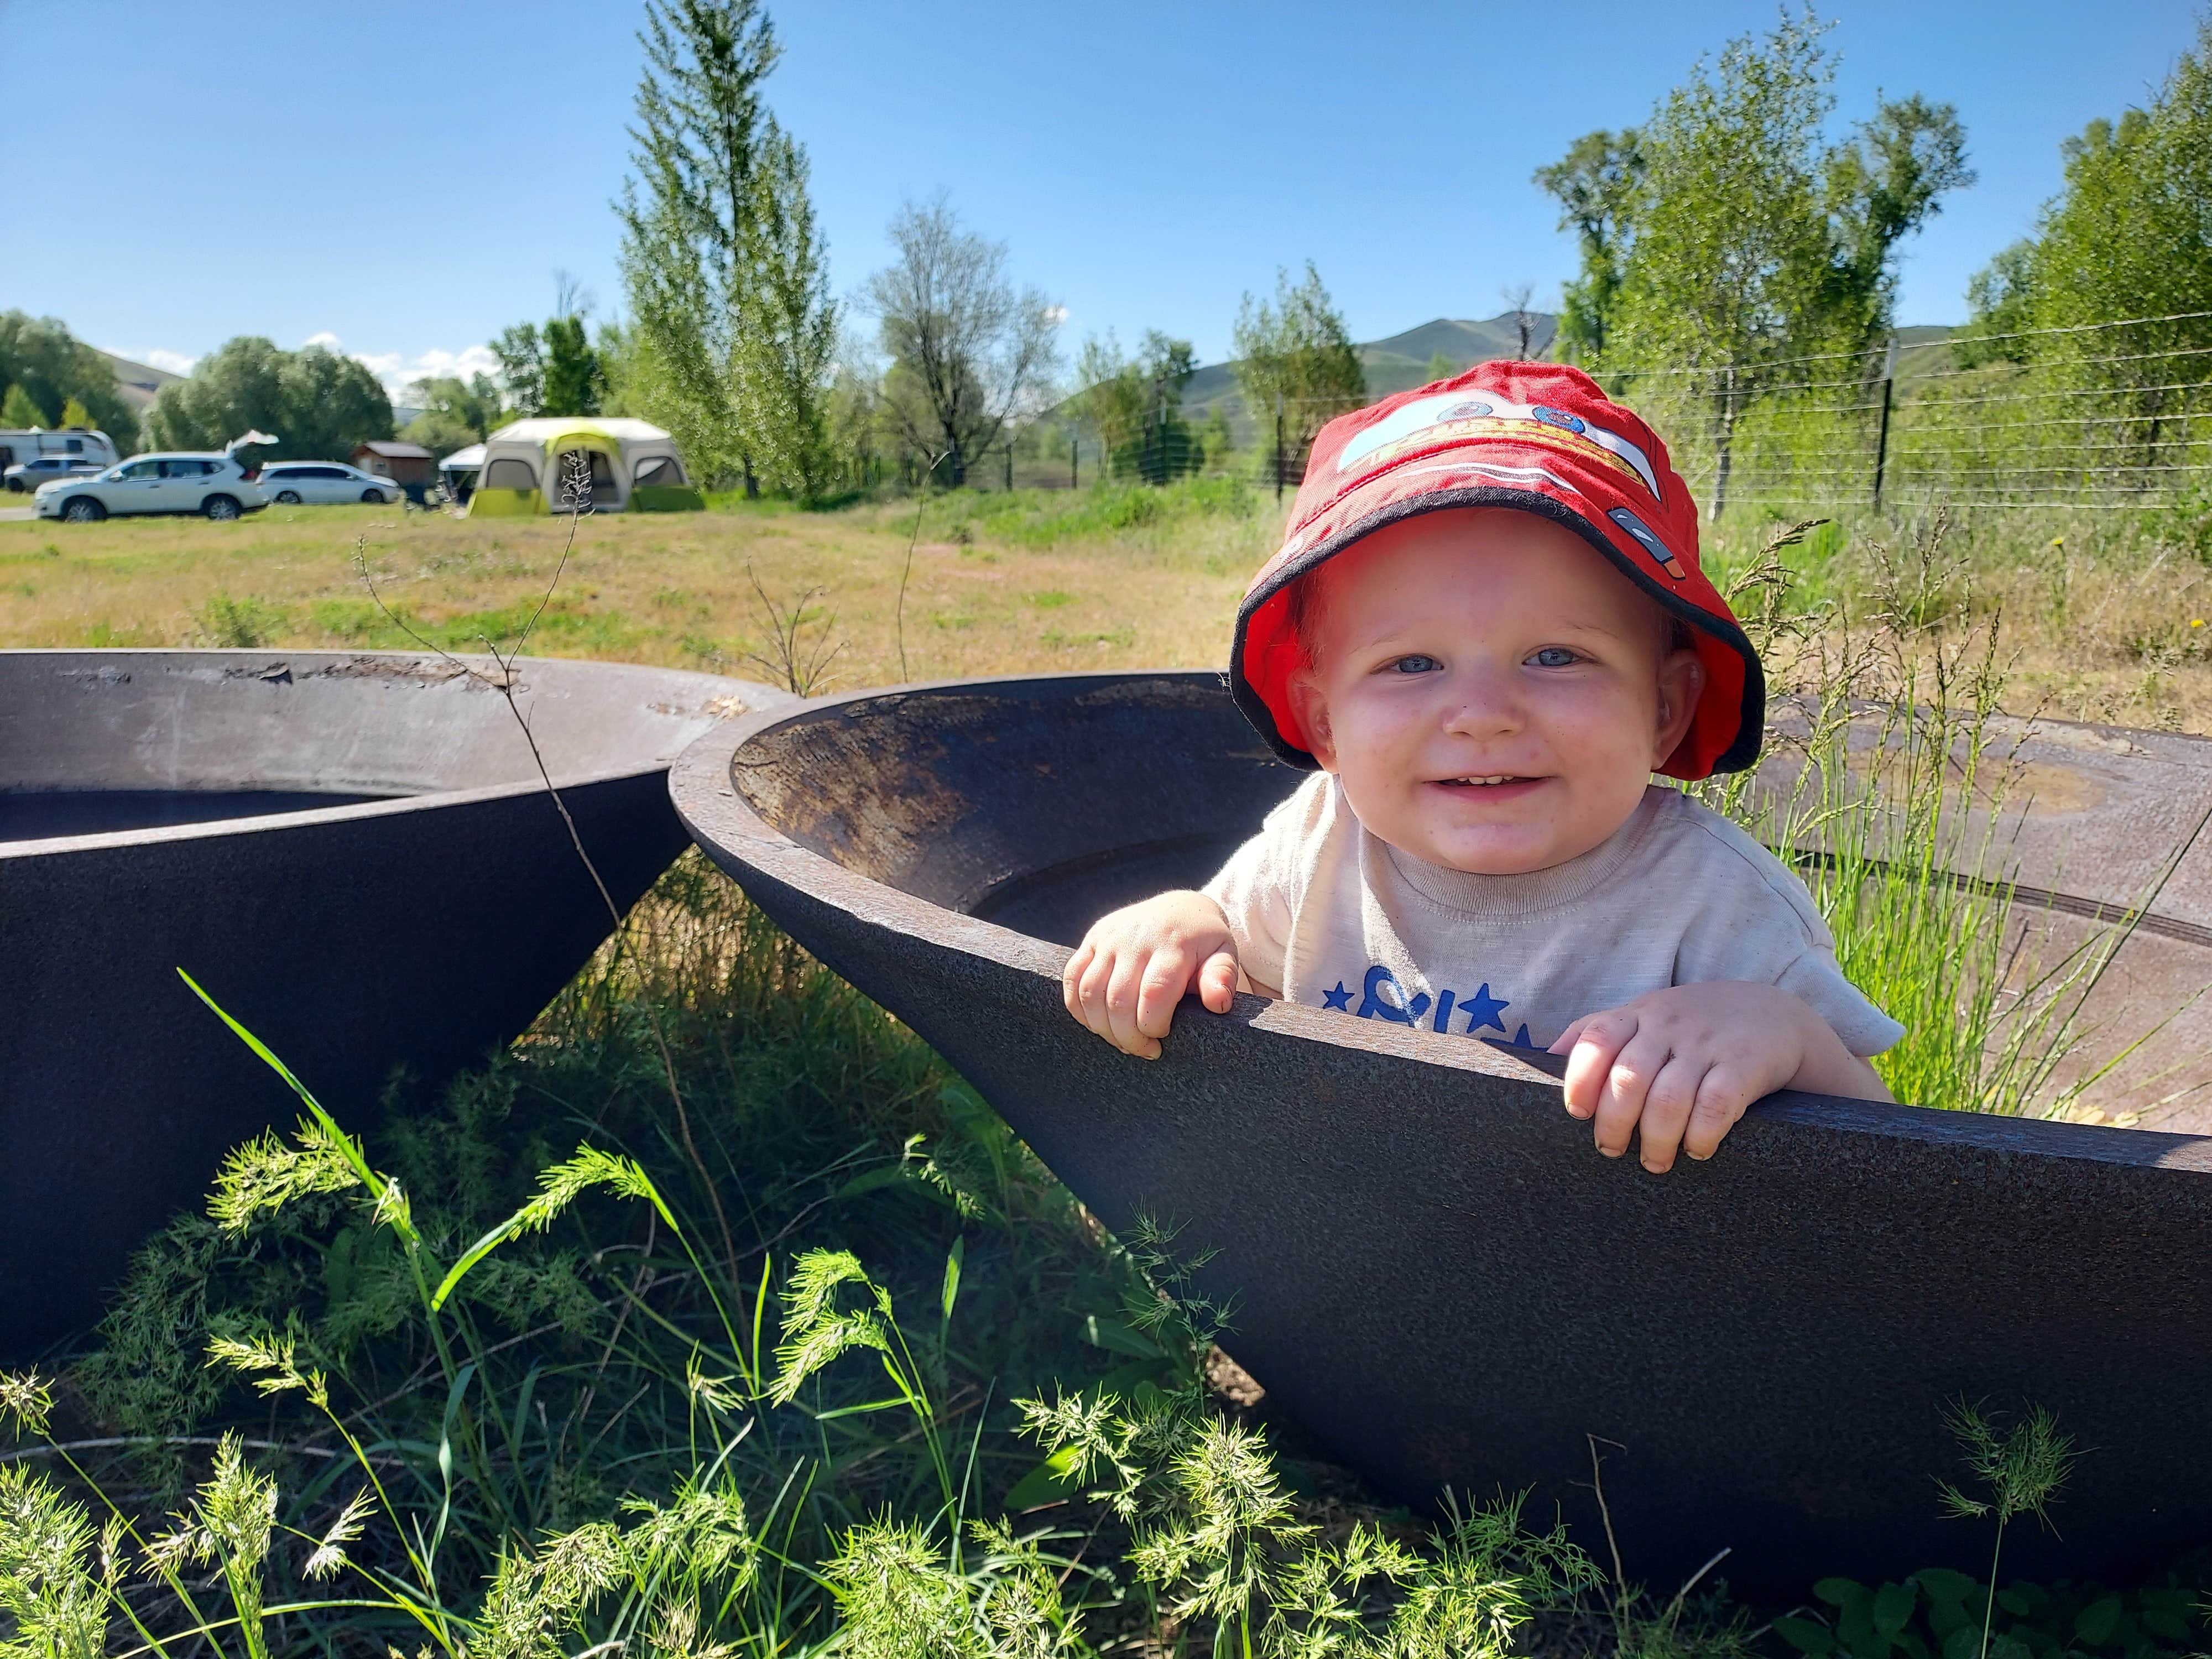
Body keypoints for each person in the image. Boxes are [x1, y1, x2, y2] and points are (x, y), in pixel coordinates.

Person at [1062, 362, 1900, 1173]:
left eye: (1555, 655)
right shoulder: (1319, 841)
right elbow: (1229, 949)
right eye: (1413, 664)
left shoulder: (1721, 908)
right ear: (1324, 720)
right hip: (1353, 1244)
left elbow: (1896, 1156)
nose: (1484, 715)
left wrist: (1789, 1040)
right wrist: (1181, 926)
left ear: (1666, 709)